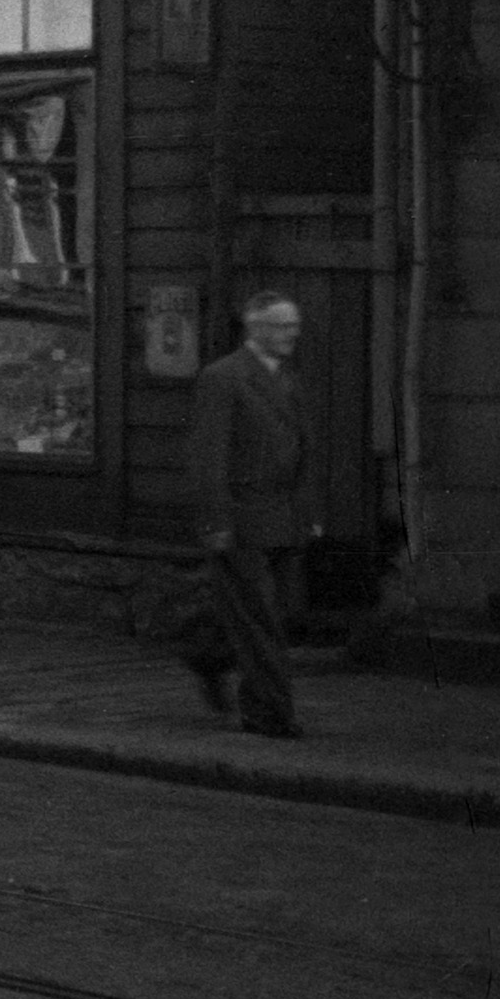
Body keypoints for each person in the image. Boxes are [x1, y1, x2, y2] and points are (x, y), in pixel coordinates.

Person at [178, 289, 313, 738]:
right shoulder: (225, 377)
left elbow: (299, 452)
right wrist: (216, 522)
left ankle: (209, 655)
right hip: (242, 518)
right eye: (281, 325)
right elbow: (208, 455)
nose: (291, 334)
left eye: (294, 325)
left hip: (282, 517)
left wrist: (306, 511)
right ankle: (268, 713)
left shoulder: (288, 377)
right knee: (260, 619)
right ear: (254, 328)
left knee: (274, 613)